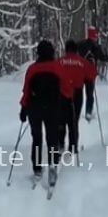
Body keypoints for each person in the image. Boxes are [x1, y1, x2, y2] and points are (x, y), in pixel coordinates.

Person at [19, 40, 72, 183]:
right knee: (52, 139)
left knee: (37, 139)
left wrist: (23, 108)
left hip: (34, 109)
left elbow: (26, 91)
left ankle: (37, 169)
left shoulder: (32, 69)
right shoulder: (58, 68)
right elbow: (66, 90)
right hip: (53, 108)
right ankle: (53, 166)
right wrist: (68, 101)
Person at [57, 39, 96, 154]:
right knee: (74, 120)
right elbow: (92, 75)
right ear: (76, 50)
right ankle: (73, 145)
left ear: (66, 49)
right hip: (77, 94)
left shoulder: (59, 61)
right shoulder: (82, 62)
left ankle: (60, 143)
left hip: (62, 94)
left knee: (61, 120)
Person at [79, 26, 108, 121]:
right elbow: (102, 58)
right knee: (89, 93)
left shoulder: (80, 44)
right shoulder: (96, 47)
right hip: (90, 74)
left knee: (78, 93)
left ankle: (76, 111)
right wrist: (107, 56)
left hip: (80, 73)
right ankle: (88, 112)